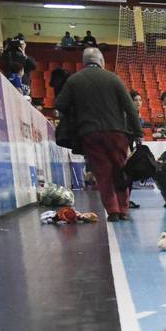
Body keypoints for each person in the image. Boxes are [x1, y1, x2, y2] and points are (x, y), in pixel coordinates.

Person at [56, 47, 140, 221]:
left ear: (84, 62)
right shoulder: (113, 78)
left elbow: (60, 104)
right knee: (121, 171)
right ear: (101, 62)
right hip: (116, 133)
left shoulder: (74, 80)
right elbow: (130, 107)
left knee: (103, 174)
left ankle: (113, 211)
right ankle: (124, 209)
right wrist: (137, 131)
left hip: (90, 133)